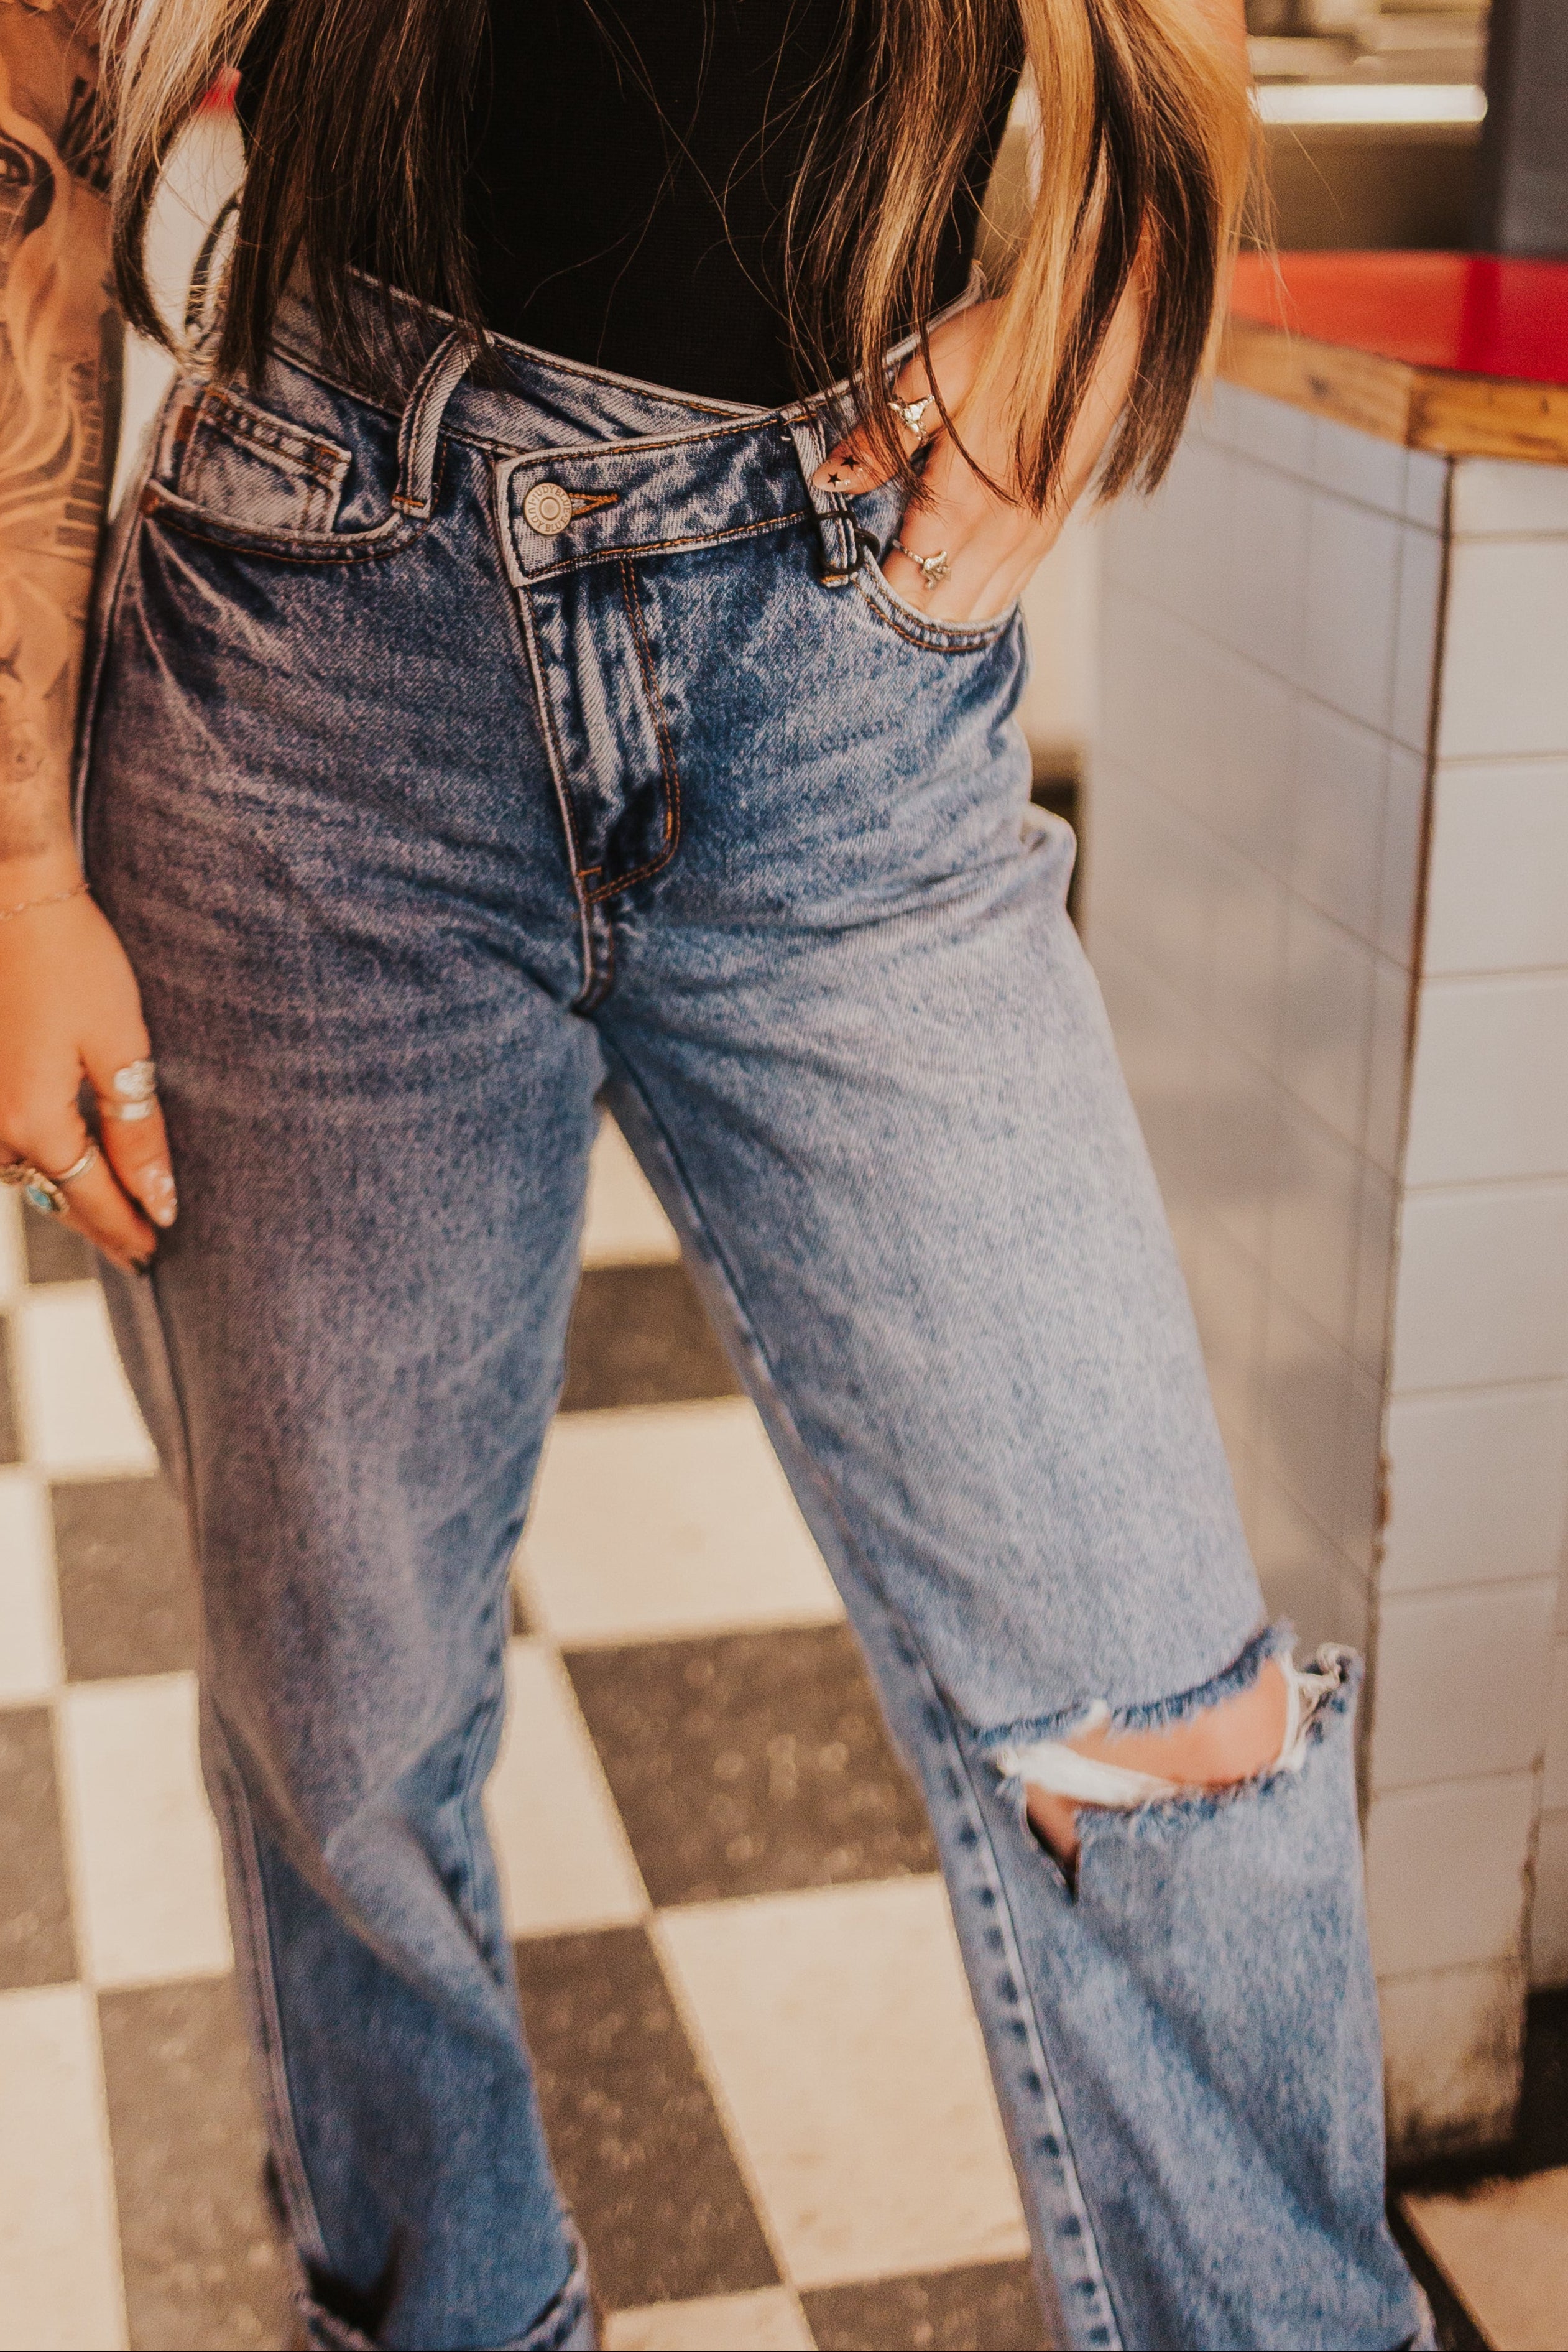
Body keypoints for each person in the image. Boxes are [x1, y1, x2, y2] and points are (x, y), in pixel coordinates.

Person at [0, 3, 1429, 2346]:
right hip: (317, 673)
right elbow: (33, 91)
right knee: (346, 1731)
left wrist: (1092, 296)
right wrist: (16, 865)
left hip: (841, 681)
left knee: (1172, 1727)